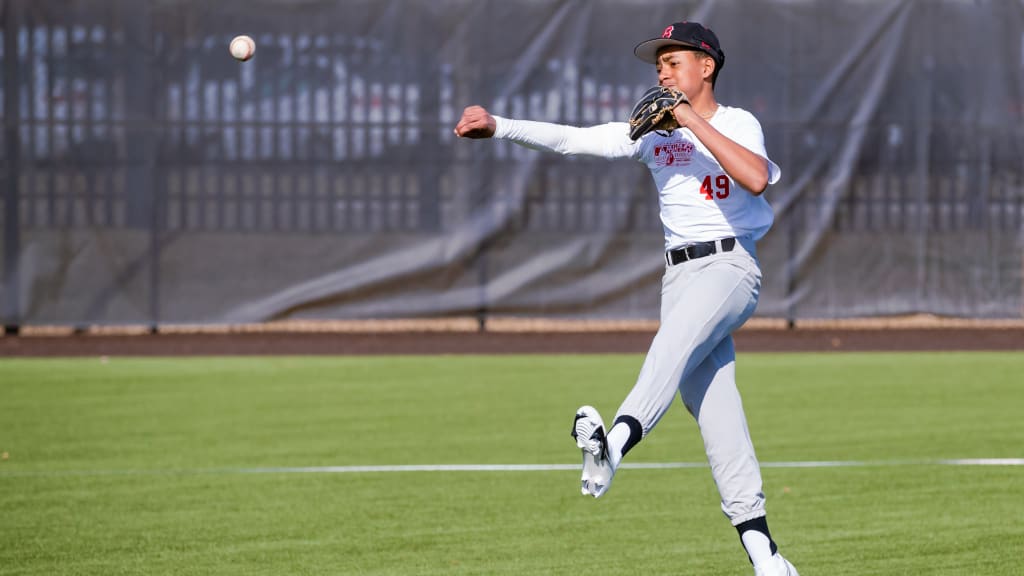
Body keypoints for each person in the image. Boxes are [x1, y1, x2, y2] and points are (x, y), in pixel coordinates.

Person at [454, 20, 797, 576]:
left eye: (674, 60)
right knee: (718, 417)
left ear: (706, 67)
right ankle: (767, 556)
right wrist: (499, 126)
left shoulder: (736, 122)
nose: (661, 69)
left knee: (672, 345)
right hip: (679, 279)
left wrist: (684, 116)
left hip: (731, 266)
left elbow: (755, 178)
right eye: (657, 63)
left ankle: (613, 445)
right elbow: (573, 139)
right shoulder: (652, 134)